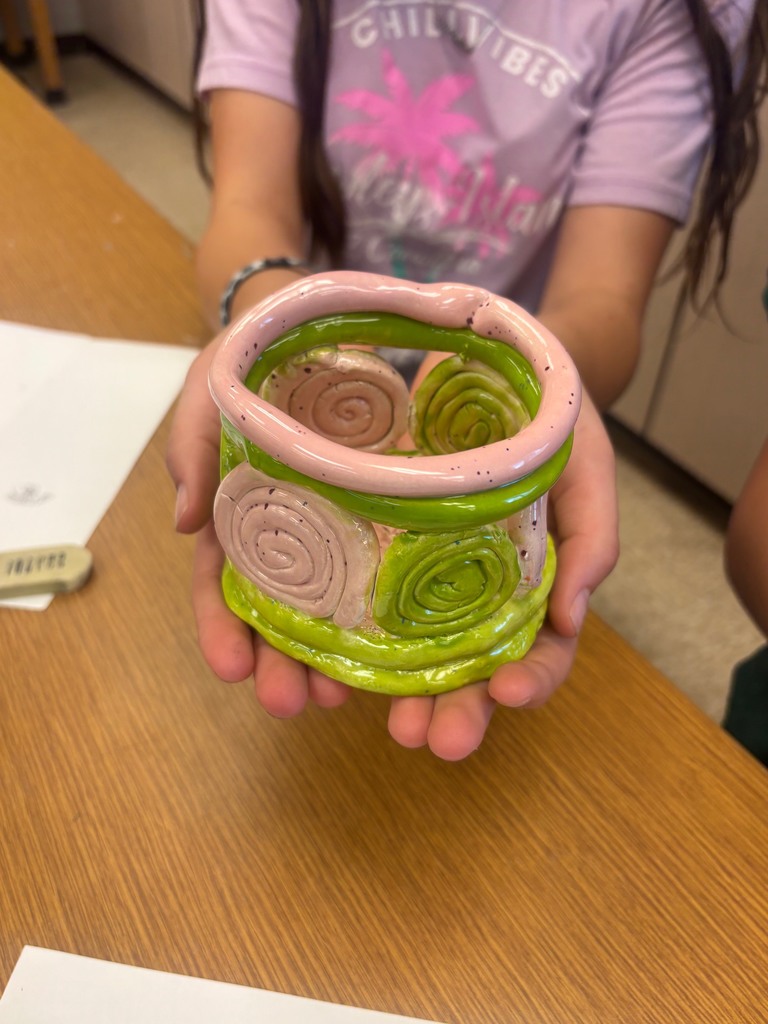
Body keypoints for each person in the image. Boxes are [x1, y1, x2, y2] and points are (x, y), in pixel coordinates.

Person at [167, 0, 768, 760]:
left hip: (497, 419)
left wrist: (552, 393)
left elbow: (604, 304)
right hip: (308, 395)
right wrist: (264, 324)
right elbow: (248, 207)